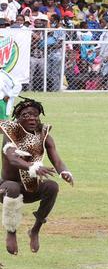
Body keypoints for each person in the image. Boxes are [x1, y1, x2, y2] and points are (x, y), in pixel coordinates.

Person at [0, 99, 73, 260]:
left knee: (52, 186)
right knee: (12, 187)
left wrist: (64, 172)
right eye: (26, 115)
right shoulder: (11, 133)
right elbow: (12, 159)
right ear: (18, 118)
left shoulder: (43, 134)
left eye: (35, 115)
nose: (32, 118)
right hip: (6, 188)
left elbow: (57, 161)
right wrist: (32, 167)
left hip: (31, 187)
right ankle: (11, 232)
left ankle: (35, 230)